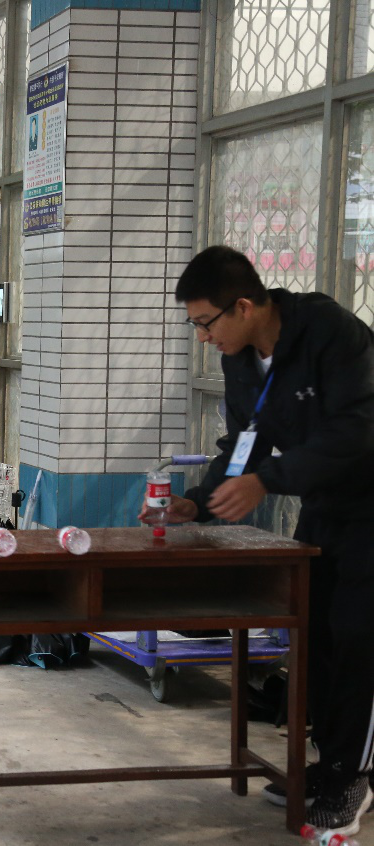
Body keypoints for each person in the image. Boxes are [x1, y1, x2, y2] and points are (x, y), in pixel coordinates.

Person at [152, 246, 374, 837]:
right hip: (326, 504)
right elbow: (244, 441)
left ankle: (354, 773)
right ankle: (328, 761)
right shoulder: (241, 359)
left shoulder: (331, 333)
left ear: (244, 306)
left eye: (206, 323)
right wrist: (198, 500)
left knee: (358, 635)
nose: (204, 337)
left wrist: (268, 481)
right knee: (313, 629)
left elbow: (357, 430)